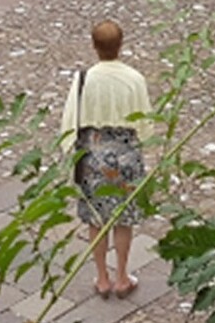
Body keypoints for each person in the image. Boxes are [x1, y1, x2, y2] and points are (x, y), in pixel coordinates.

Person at [59, 19, 151, 300]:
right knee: (124, 219)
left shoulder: (83, 78)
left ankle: (101, 277)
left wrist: (68, 153)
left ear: (94, 46)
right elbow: (145, 122)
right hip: (125, 154)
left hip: (93, 153)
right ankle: (123, 276)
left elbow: (69, 120)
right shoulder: (134, 78)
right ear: (121, 45)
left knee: (96, 219)